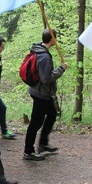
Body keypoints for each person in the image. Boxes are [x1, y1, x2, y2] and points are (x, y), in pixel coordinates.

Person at [23, 29, 67, 161]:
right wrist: (61, 69)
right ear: (52, 39)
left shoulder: (39, 50)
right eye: (56, 37)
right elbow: (46, 78)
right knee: (36, 123)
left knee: (52, 115)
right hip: (40, 93)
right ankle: (28, 151)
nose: (56, 40)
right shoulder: (44, 56)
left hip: (44, 93)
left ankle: (43, 144)